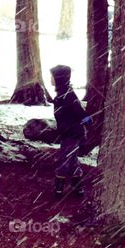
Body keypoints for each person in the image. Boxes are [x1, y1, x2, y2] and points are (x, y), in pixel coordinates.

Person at [50, 64, 89, 197]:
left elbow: (82, 114)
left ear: (59, 78)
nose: (50, 78)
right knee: (72, 160)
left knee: (64, 161)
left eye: (53, 76)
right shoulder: (62, 95)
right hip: (67, 134)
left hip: (72, 135)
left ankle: (58, 190)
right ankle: (78, 189)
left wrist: (87, 123)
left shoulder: (69, 96)